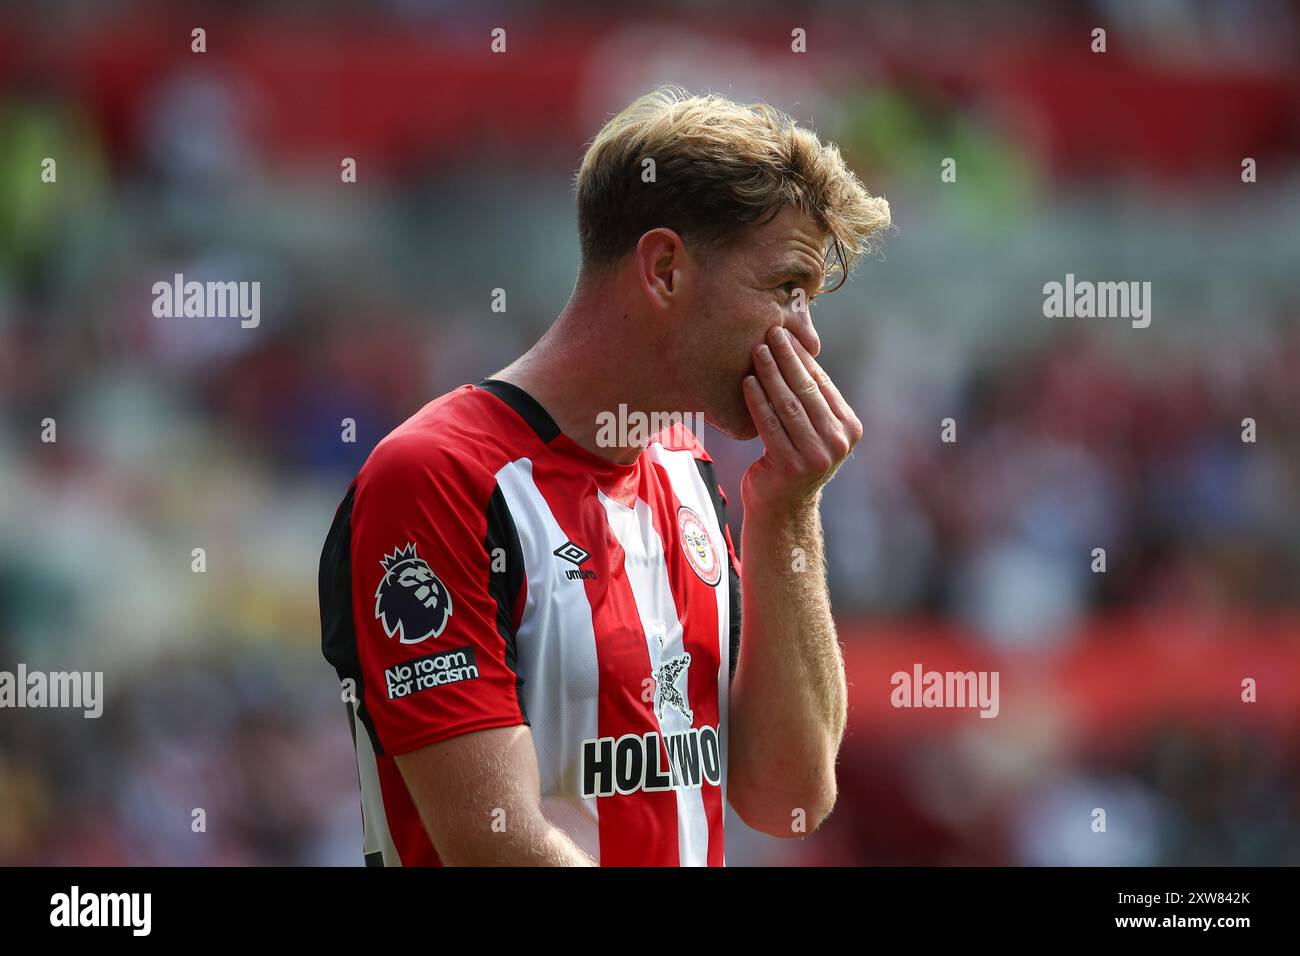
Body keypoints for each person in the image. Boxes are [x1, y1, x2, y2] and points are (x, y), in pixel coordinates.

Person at [319, 85, 891, 865]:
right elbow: (497, 848)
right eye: (787, 289)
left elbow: (789, 798)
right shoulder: (439, 477)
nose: (809, 338)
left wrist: (790, 512)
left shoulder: (687, 471)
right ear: (664, 270)